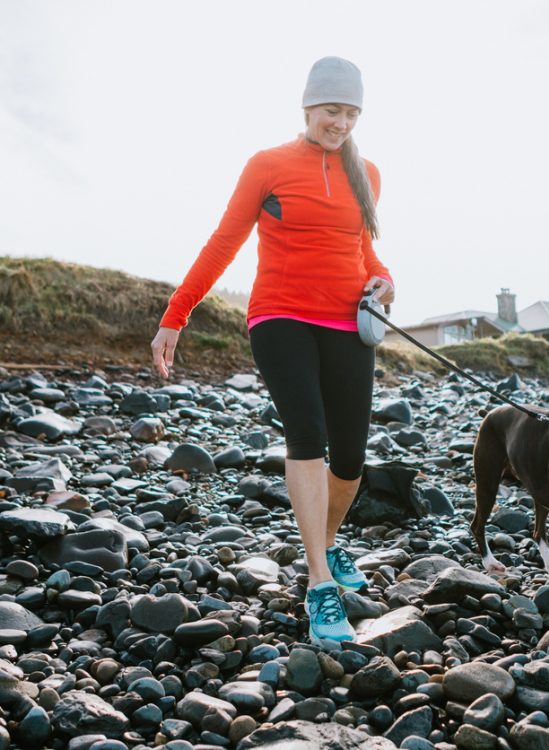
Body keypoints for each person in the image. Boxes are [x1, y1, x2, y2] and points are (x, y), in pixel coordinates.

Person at [151, 56, 394, 643]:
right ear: (308, 106)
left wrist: (384, 282)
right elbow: (224, 241)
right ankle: (318, 583)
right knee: (306, 435)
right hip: (280, 316)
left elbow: (368, 256)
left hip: (345, 323)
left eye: (352, 113)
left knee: (352, 459)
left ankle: (328, 545)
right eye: (332, 110)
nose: (341, 122)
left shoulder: (369, 172)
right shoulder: (268, 165)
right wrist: (175, 316)